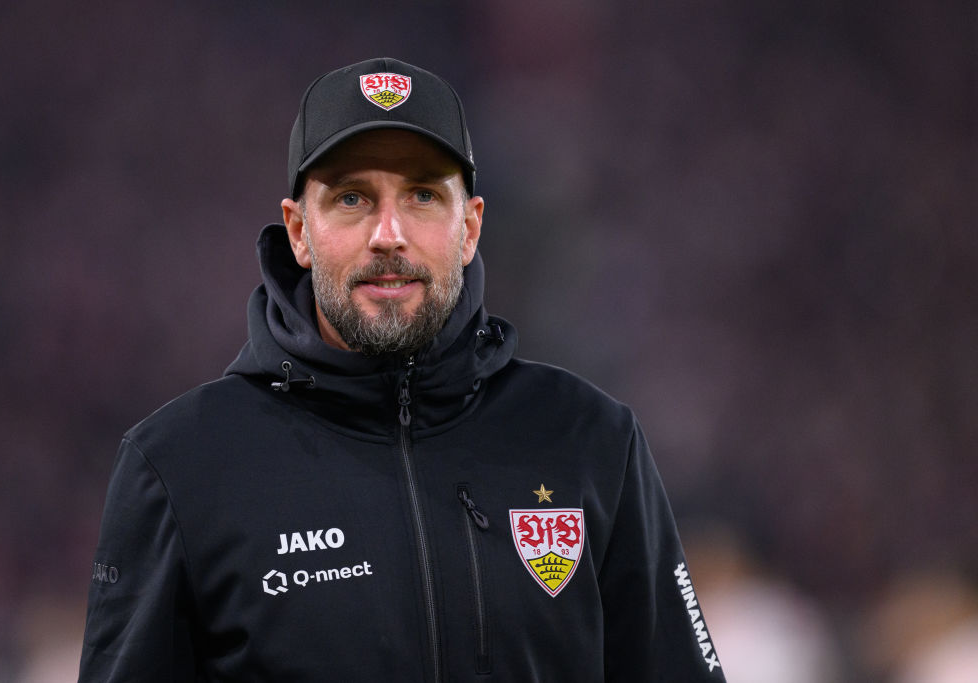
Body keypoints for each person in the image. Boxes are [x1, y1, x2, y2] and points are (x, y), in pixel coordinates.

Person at [78, 57, 726, 682]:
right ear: (298, 230)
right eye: (353, 197)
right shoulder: (180, 468)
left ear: (469, 227)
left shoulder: (594, 442)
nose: (389, 233)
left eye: (421, 194)